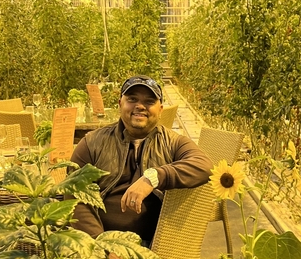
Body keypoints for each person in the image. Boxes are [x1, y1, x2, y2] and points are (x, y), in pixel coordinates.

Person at [68, 75, 213, 246]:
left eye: (149, 101)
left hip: (153, 246)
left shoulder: (172, 142)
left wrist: (154, 177)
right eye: (132, 99)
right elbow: (75, 196)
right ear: (120, 103)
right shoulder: (92, 143)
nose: (140, 106)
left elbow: (204, 166)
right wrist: (100, 246)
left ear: (160, 109)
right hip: (101, 242)